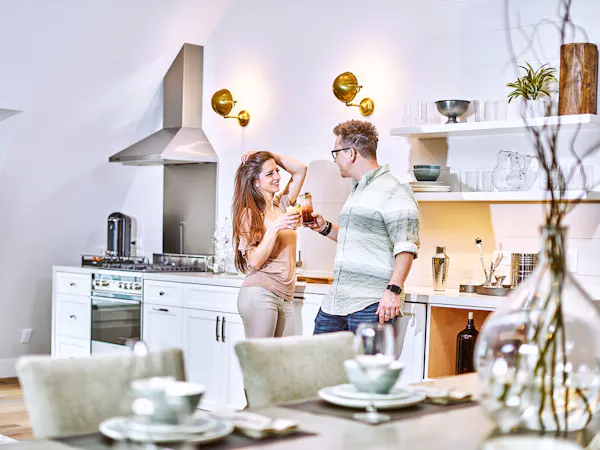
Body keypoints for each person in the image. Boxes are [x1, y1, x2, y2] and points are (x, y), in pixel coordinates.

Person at [308, 120, 420, 333]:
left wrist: (393, 290)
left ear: (351, 153)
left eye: (336, 153)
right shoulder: (358, 189)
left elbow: (406, 246)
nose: (335, 160)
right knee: (318, 356)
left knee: (365, 358)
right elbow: (357, 238)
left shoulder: (395, 190)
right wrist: (325, 228)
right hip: (336, 302)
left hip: (371, 304)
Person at [232, 151, 307, 338]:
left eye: (277, 171)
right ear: (256, 182)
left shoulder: (282, 205)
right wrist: (275, 227)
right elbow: (254, 262)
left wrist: (269, 154)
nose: (277, 177)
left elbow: (300, 170)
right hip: (260, 294)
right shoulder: (249, 214)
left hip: (285, 295)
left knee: (284, 355)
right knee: (261, 356)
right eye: (270, 173)